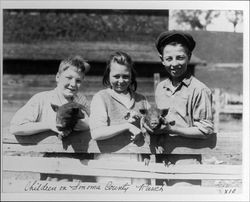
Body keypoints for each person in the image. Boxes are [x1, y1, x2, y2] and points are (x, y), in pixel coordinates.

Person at [10, 55, 92, 181]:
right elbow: (15, 127)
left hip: (81, 168)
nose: (73, 84)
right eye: (69, 78)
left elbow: (97, 122)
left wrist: (87, 125)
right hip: (53, 169)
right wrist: (49, 125)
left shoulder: (82, 101)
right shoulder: (42, 99)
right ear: (57, 77)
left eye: (78, 80)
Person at [154, 30, 214, 186]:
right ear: (162, 60)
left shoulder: (199, 89)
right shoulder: (160, 88)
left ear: (189, 57)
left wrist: (172, 130)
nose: (174, 63)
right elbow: (159, 121)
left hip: (187, 160)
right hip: (161, 160)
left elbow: (205, 129)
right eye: (169, 58)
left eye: (180, 57)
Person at [89, 51, 150, 184]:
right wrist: (127, 126)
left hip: (138, 165)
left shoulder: (141, 100)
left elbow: (149, 128)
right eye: (116, 76)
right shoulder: (101, 97)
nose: (121, 81)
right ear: (108, 75)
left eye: (126, 76)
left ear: (131, 76)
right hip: (110, 164)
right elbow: (97, 133)